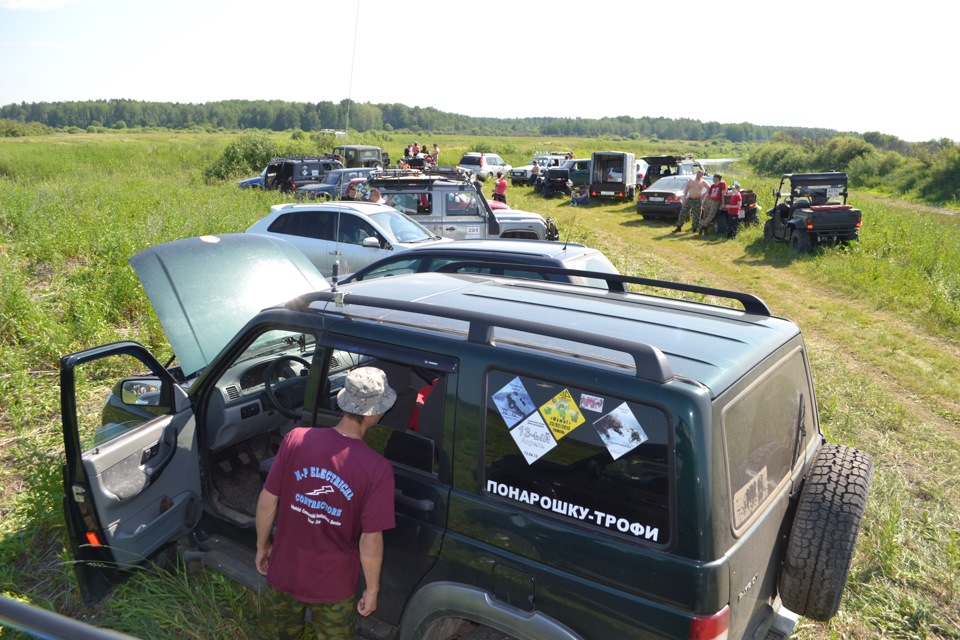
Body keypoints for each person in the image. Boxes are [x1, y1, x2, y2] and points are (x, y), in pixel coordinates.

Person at [256, 366, 397, 640]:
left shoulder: (296, 439)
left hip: (285, 570)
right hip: (335, 585)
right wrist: (372, 589)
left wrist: (263, 546)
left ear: (344, 402)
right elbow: (370, 541)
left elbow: (267, 502)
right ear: (375, 412)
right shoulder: (377, 468)